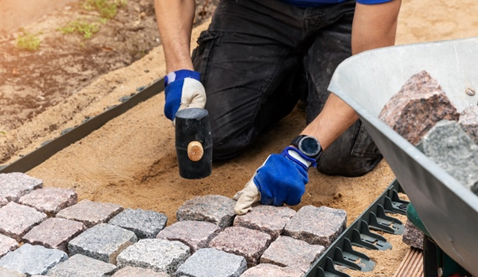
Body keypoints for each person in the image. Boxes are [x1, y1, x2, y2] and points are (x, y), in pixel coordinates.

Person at [156, 0, 402, 214]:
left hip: (348, 14)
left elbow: (364, 69)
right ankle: (293, 76)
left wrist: (301, 153)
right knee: (211, 135)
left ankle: (318, 72)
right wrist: (178, 72)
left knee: (341, 155)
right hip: (255, 9)